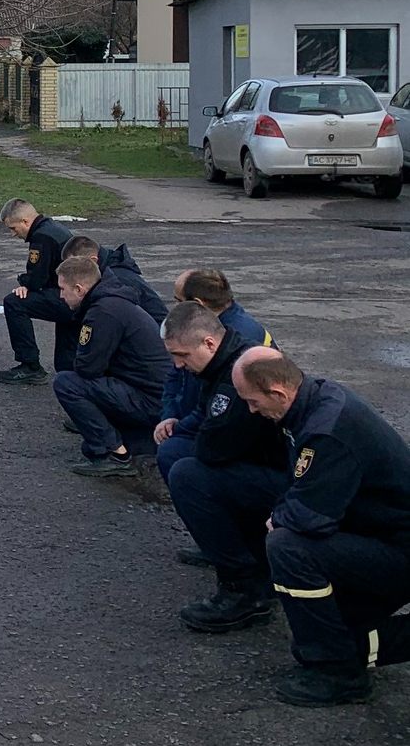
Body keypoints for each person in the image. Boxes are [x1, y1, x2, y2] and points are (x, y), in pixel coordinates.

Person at [231, 348, 410, 706]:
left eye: (252, 402)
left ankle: (338, 673)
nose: (252, 411)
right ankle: (342, 655)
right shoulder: (315, 400)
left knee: (288, 547)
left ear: (279, 393)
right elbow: (302, 487)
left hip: (398, 550)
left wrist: (279, 517)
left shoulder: (327, 430)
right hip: (376, 536)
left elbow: (310, 517)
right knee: (332, 638)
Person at [160, 304, 291, 630]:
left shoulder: (239, 374)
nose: (178, 364)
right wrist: (180, 424)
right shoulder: (222, 360)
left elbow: (215, 449)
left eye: (181, 355)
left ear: (208, 343)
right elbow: (208, 424)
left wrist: (200, 435)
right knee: (174, 452)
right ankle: (233, 549)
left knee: (189, 475)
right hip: (265, 463)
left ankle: (243, 588)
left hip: (289, 482)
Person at [51, 256, 171, 475]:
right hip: (158, 397)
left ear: (79, 289)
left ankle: (116, 455)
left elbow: (87, 368)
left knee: (67, 383)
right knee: (89, 447)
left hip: (149, 401)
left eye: (62, 289)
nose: (60, 295)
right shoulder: (113, 301)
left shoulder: (102, 312)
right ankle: (131, 443)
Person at [159, 268, 274, 479]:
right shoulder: (201, 332)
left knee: (175, 456)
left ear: (197, 304)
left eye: (177, 301)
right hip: (207, 422)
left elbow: (215, 412)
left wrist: (179, 429)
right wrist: (170, 417)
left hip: (250, 445)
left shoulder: (231, 342)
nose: (174, 308)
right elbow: (175, 377)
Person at [0, 197, 76, 384]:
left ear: (25, 221)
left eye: (13, 228)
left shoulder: (41, 237)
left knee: (14, 303)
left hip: (68, 298)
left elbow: (36, 277)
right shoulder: (53, 228)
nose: (12, 234)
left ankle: (30, 365)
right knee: (65, 366)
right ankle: (75, 371)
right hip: (77, 294)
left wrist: (24, 284)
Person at [60, 235, 166, 323]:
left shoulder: (117, 280)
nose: (71, 272)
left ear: (93, 260)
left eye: (75, 265)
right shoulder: (109, 272)